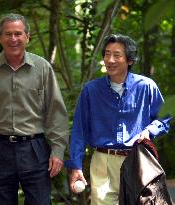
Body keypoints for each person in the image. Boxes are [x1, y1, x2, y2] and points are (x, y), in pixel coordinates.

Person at [0, 13, 68, 205]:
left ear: (27, 37)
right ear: (0, 38)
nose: (13, 39)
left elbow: (56, 113)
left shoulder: (42, 68)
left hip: (35, 149)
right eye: (8, 34)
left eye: (18, 33)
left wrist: (58, 150)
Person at [64, 34, 171, 205]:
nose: (110, 60)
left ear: (129, 60)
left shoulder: (146, 86)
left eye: (117, 55)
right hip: (102, 161)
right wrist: (76, 166)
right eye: (107, 54)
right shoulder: (91, 90)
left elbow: (165, 118)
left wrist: (149, 131)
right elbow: (79, 131)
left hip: (138, 160)